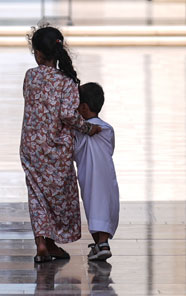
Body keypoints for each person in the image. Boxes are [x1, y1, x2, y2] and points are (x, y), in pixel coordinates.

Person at [20, 26, 102, 264]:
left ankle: (43, 244)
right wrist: (88, 128)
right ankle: (53, 240)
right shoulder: (66, 82)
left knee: (36, 193)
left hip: (30, 146)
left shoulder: (30, 76)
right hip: (56, 148)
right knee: (59, 193)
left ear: (37, 53)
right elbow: (67, 114)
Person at [74, 82, 119, 262]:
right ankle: (101, 244)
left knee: (93, 208)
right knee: (104, 207)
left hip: (89, 176)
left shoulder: (81, 132)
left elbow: (74, 150)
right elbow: (110, 149)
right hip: (107, 176)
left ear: (83, 107)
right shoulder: (107, 129)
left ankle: (102, 244)